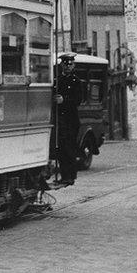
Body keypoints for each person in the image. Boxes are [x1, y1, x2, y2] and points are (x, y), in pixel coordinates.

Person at [53, 53, 84, 186]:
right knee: (60, 148)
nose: (68, 67)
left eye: (70, 64)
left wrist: (64, 100)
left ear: (74, 65)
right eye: (65, 64)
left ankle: (71, 176)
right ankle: (64, 175)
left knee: (69, 148)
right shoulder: (57, 80)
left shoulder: (76, 81)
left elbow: (78, 100)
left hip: (71, 119)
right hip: (60, 119)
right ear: (61, 65)